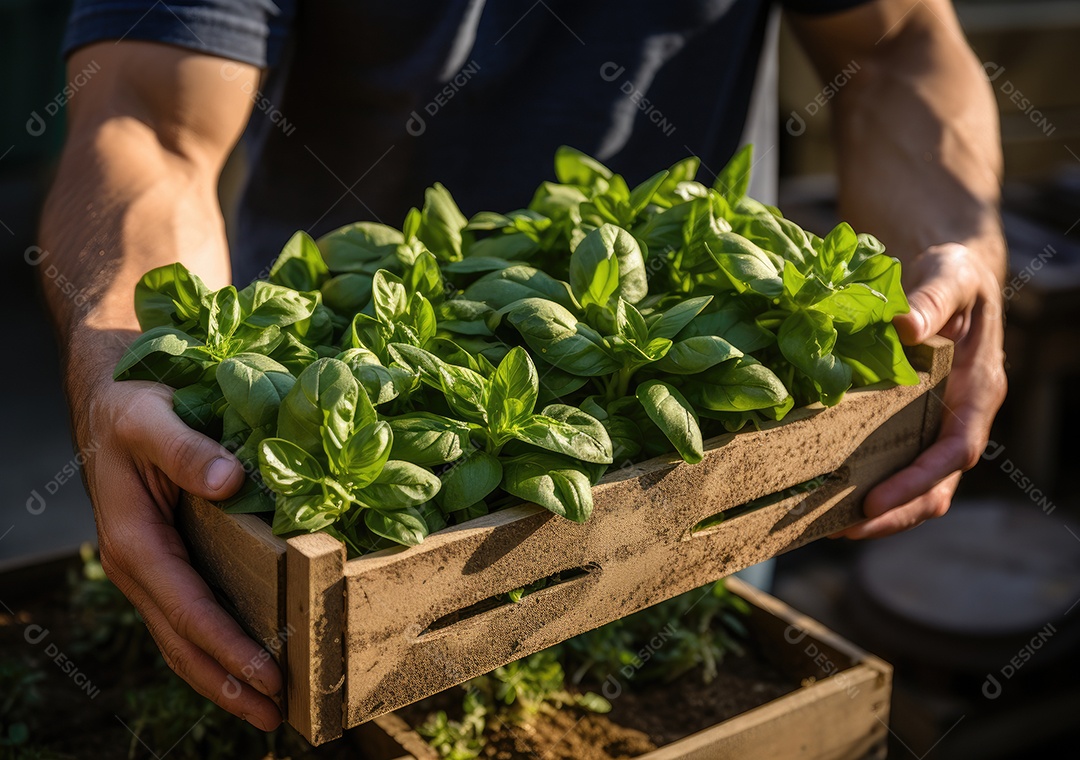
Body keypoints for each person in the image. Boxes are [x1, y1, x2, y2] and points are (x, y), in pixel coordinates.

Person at [40, 0, 1006, 733]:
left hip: (703, 467)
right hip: (337, 379)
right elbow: (146, 118)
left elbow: (896, 45)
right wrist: (124, 361)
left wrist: (952, 261)